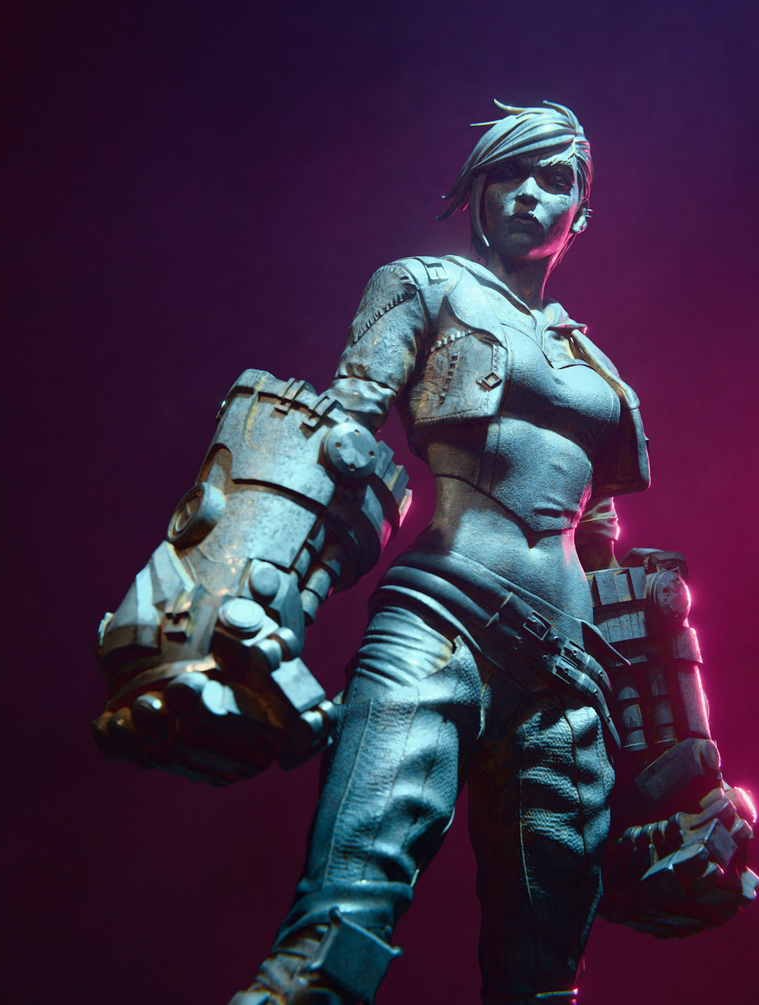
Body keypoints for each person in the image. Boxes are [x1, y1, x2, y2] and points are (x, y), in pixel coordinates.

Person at [231, 101, 652, 1005]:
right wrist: (255, 598)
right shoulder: (423, 285)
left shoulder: (598, 370)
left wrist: (673, 752)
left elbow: (606, 548)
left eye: (555, 180)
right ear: (477, 189)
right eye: (509, 173)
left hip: (568, 676)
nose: (529, 193)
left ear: (580, 213)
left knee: (544, 982)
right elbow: (337, 437)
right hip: (441, 618)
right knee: (337, 926)